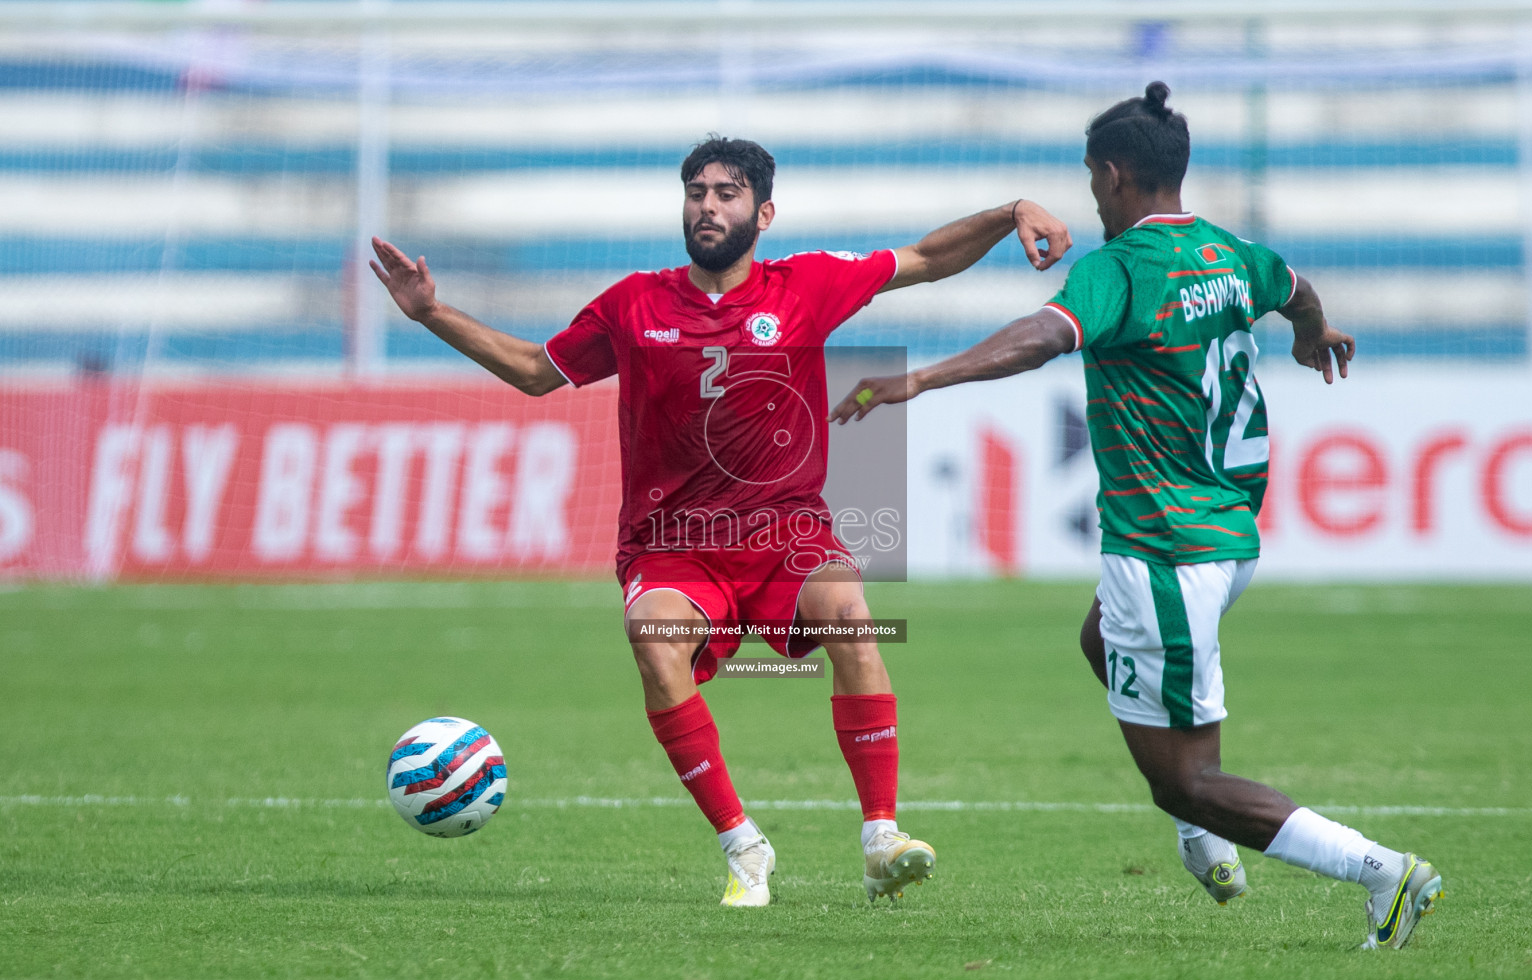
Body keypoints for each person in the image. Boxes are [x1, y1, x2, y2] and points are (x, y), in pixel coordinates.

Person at [372, 135, 1072, 907]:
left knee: (852, 616)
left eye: (727, 193)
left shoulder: (805, 285)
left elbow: (925, 258)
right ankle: (743, 846)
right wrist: (431, 313)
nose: (708, 205)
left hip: (785, 532)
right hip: (672, 547)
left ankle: (881, 839)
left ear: (763, 212)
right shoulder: (633, 303)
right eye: (697, 191)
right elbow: (538, 373)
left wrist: (1012, 213)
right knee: (654, 645)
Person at [832, 84, 1443, 949]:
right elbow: (1297, 288)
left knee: (1187, 781)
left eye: (1091, 178)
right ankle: (1209, 842)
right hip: (1228, 539)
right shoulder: (1232, 254)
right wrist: (1314, 330)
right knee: (1098, 641)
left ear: (1115, 174)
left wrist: (920, 379)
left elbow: (1044, 336)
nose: (1090, 194)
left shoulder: (1119, 270)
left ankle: (1383, 871)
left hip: (1165, 549)